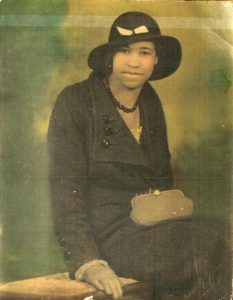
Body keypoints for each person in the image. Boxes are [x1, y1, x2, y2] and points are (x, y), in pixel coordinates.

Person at [47, 12, 229, 299]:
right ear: (110, 57)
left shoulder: (149, 100)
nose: (134, 62)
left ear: (156, 60)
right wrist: (88, 263)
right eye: (124, 50)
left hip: (154, 229)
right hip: (108, 239)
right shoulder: (76, 101)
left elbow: (163, 178)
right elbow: (64, 193)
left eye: (144, 52)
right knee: (214, 245)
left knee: (225, 234)